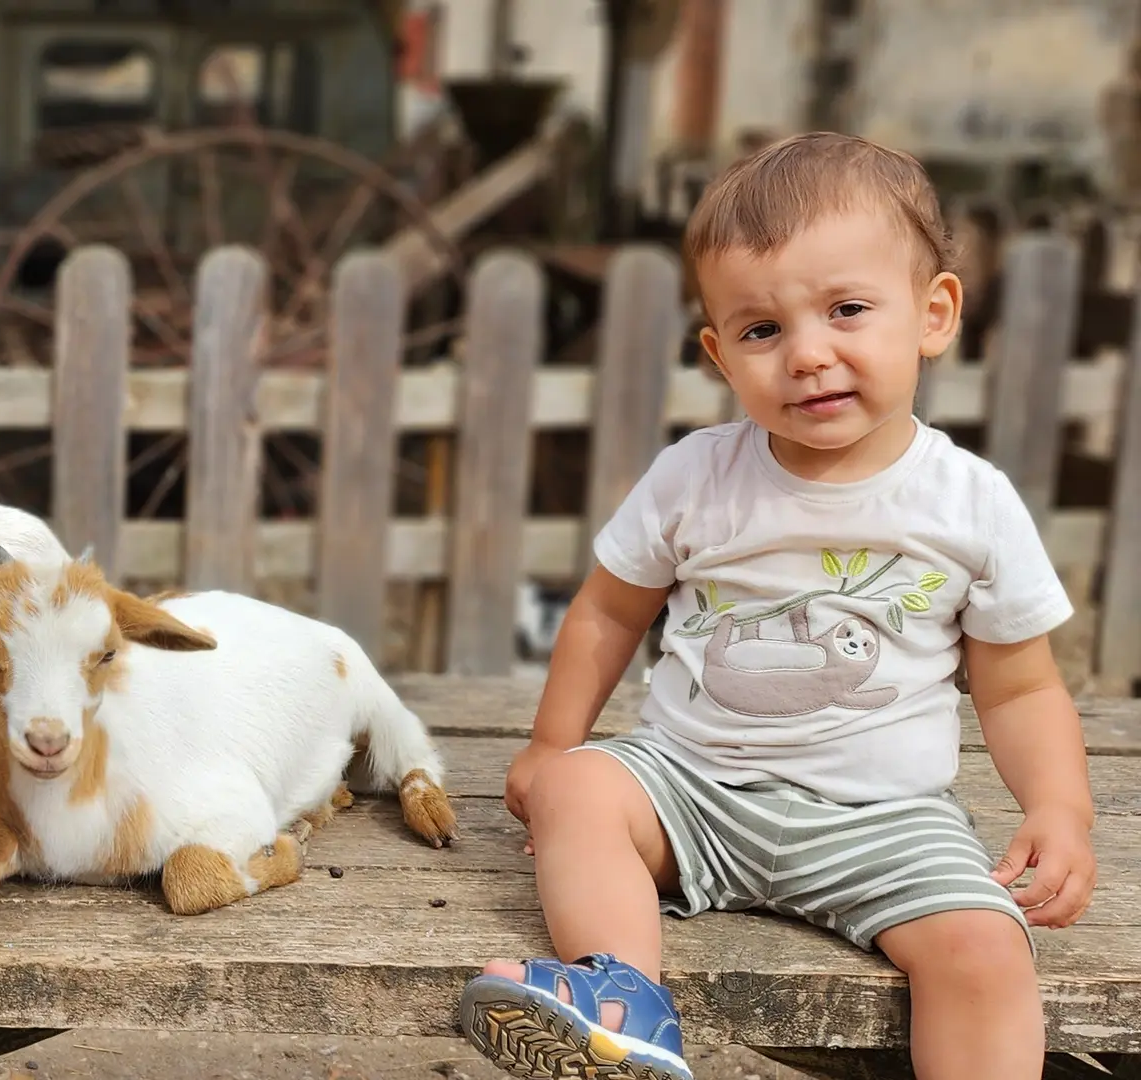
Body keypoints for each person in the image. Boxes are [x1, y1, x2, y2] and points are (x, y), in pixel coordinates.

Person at [457, 131, 1097, 1080]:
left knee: (986, 949)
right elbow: (605, 613)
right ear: (719, 353)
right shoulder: (694, 477)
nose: (807, 355)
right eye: (761, 330)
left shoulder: (969, 502)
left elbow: (1018, 688)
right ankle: (624, 1000)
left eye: (845, 310)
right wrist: (554, 742)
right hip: (691, 786)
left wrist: (1059, 806)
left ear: (934, 314)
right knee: (578, 791)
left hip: (883, 821)